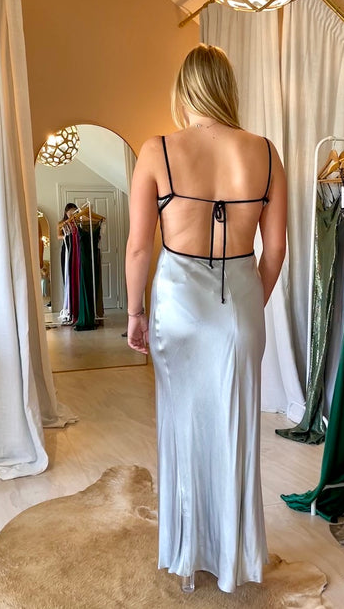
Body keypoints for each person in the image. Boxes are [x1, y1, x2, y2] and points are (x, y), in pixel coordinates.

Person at [125, 44, 287, 594]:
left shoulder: (157, 150)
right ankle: (234, 557)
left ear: (184, 89)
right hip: (239, 299)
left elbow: (138, 248)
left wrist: (135, 312)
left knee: (183, 426)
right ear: (227, 88)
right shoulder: (266, 153)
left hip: (177, 305)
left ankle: (187, 550)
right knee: (236, 429)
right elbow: (274, 251)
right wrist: (247, 308)